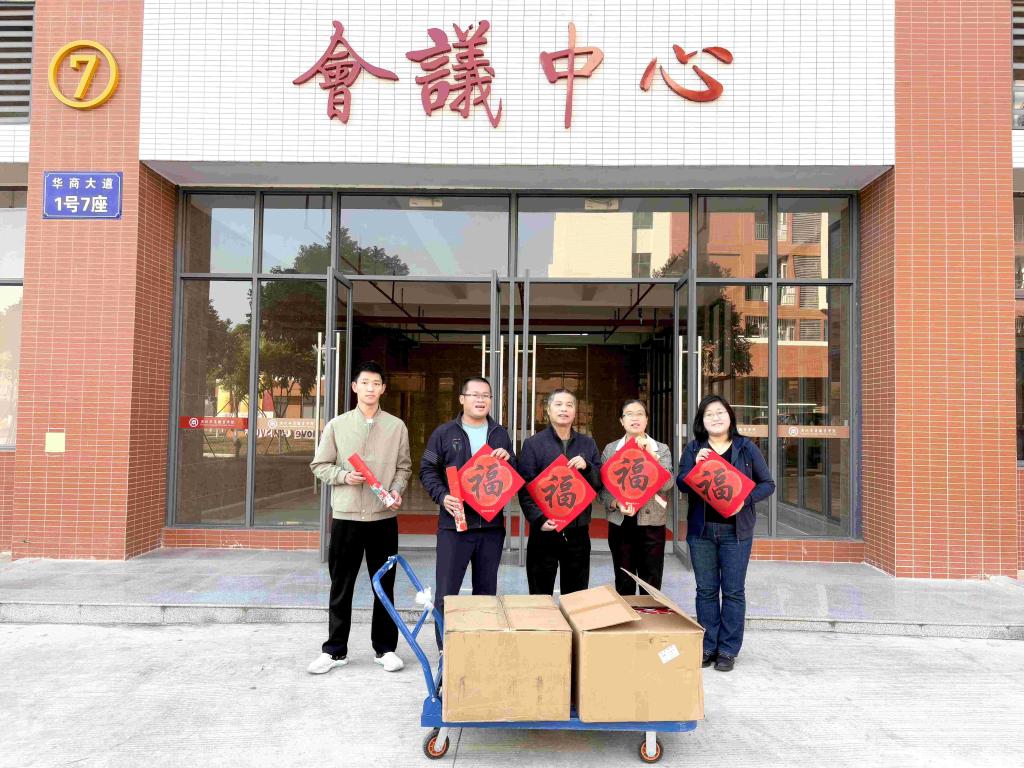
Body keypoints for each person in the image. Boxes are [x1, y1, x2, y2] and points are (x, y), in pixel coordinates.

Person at [307, 362, 412, 675]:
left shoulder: (396, 426)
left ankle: (385, 649)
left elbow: (404, 467)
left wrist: (396, 490)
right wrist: (343, 476)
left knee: (385, 585)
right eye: (365, 382)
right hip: (347, 517)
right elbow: (319, 465)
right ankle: (335, 651)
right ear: (355, 387)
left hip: (383, 518)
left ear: (383, 389)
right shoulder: (337, 425)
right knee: (341, 585)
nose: (370, 388)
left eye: (376, 383)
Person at [677, 394, 775, 673]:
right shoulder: (694, 448)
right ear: (702, 421)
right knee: (706, 590)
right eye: (709, 414)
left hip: (736, 532)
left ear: (730, 416)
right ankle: (708, 646)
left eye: (720, 412)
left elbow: (767, 483)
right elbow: (681, 484)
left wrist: (745, 500)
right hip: (702, 532)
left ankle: (728, 649)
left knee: (733, 591)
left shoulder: (746, 448)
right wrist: (695, 466)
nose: (715, 418)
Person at [419, 376, 515, 647]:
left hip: (491, 527)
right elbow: (427, 470)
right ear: (462, 399)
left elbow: (513, 472)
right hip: (454, 526)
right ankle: (445, 650)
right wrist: (442, 496)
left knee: (486, 593)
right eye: (474, 394)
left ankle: (479, 648)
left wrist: (509, 459)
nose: (480, 400)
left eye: (486, 395)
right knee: (447, 593)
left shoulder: (500, 433)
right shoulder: (444, 433)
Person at [517, 388, 602, 596]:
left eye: (569, 405)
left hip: (578, 531)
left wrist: (587, 467)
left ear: (575, 411)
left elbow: (599, 483)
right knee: (540, 594)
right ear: (548, 410)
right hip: (544, 531)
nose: (564, 409)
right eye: (558, 404)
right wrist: (539, 519)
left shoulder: (587, 444)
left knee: (576, 596)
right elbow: (525, 488)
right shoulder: (533, 444)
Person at [598, 399, 674, 595]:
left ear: (647, 419)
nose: (635, 418)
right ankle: (628, 614)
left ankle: (649, 613)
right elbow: (602, 489)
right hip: (621, 522)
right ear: (621, 421)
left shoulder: (661, 449)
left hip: (652, 524)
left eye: (640, 414)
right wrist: (616, 503)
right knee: (624, 580)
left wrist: (651, 456)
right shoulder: (610, 449)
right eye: (629, 414)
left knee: (651, 580)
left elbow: (667, 484)